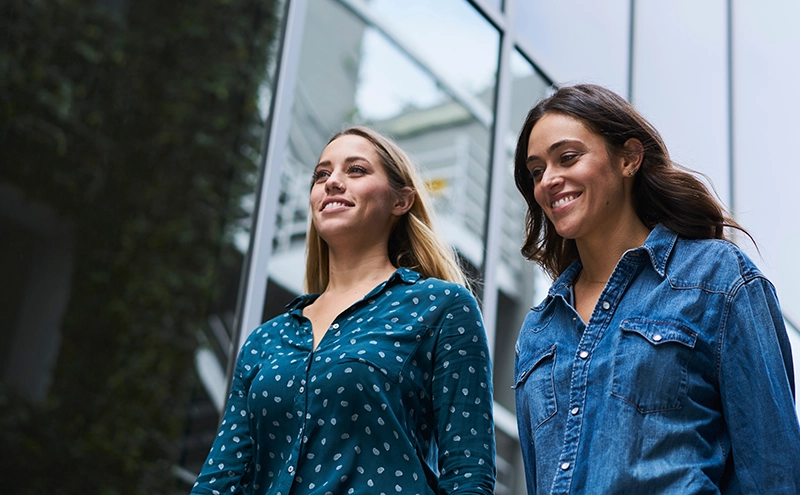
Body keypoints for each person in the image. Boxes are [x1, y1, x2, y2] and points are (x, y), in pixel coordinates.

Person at [511, 84, 800, 494]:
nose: (549, 181)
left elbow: (774, 470)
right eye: (537, 171)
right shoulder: (538, 331)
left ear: (629, 158)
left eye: (568, 157)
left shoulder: (717, 278)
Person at [192, 126, 496, 495]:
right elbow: (218, 481)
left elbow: (469, 474)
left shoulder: (443, 308)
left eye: (356, 170)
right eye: (322, 174)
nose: (333, 182)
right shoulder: (265, 341)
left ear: (401, 201)